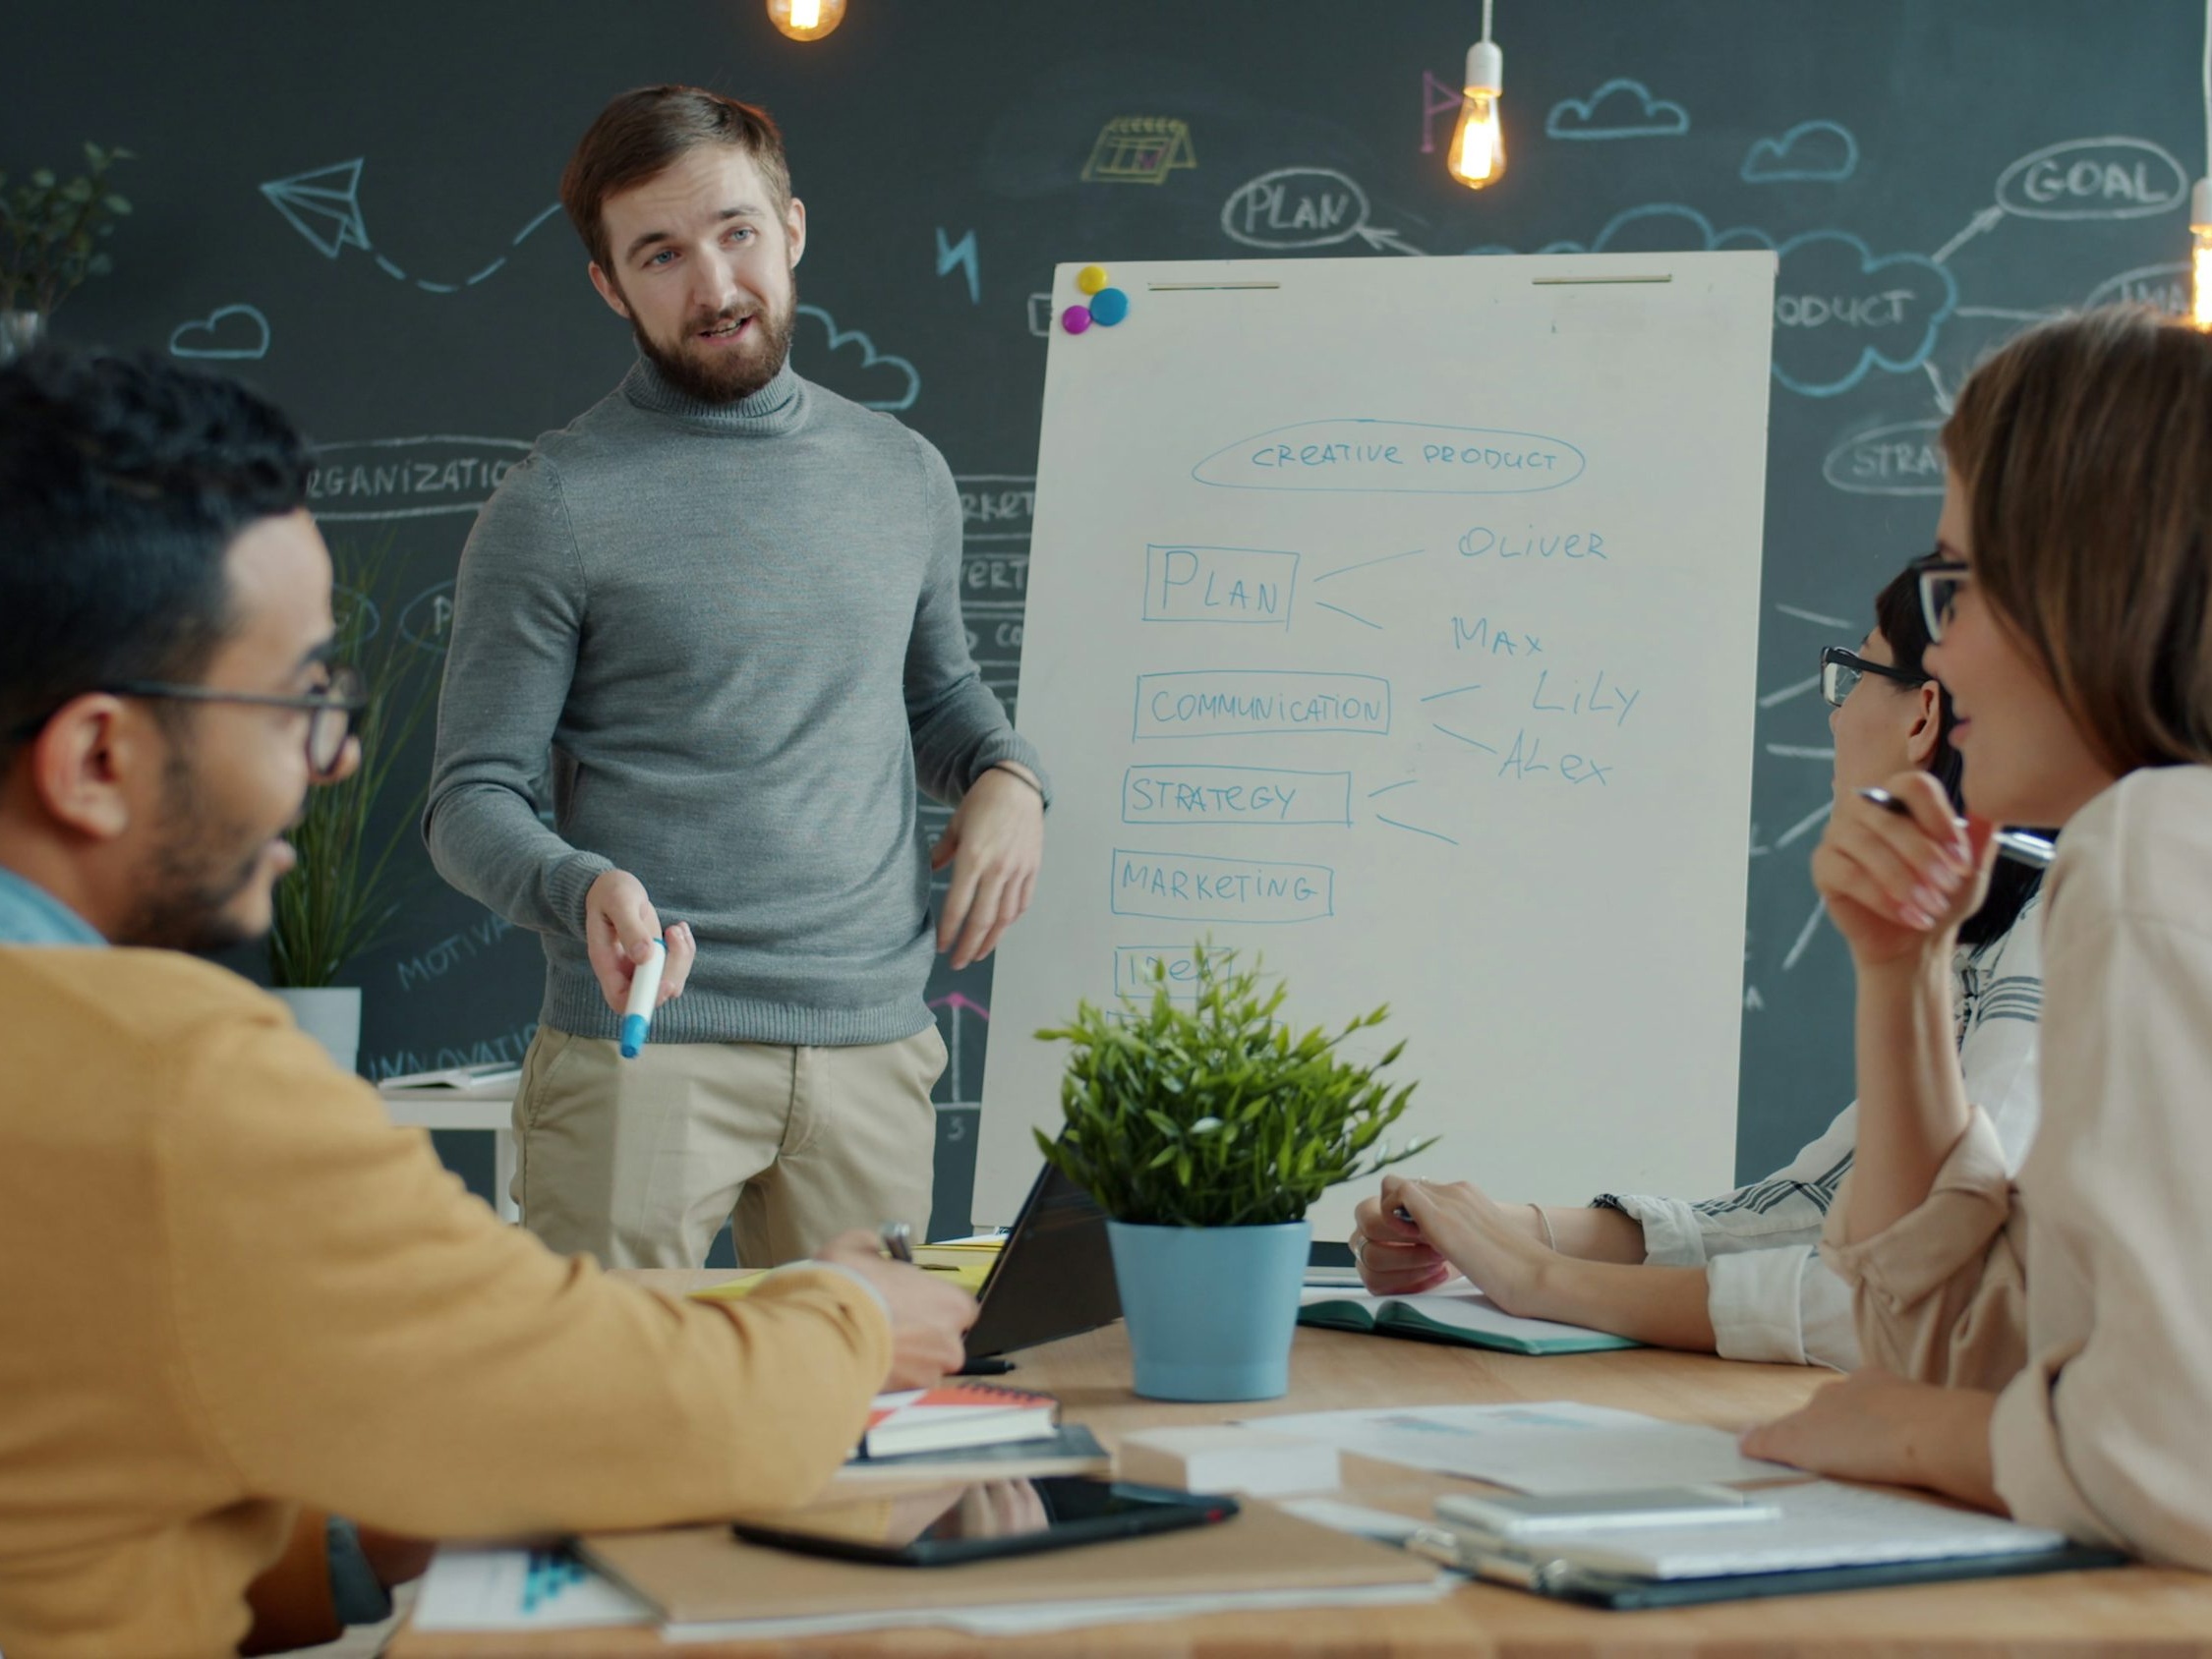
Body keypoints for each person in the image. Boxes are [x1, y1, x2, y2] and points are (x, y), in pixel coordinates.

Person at [0, 345, 976, 1658]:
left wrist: (352, 1538)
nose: (337, 755)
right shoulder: (174, 1090)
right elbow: (608, 1402)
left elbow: (66, 1490)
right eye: (297, 699)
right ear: (98, 758)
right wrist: (855, 1316)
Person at [426, 85, 1048, 1272]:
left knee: (859, 1432)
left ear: (793, 227)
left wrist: (1012, 775)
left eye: (737, 233)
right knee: (604, 1429)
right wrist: (578, 881)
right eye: (661, 254)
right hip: (645, 1055)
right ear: (610, 284)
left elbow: (940, 700)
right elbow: (470, 802)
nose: (713, 287)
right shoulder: (554, 503)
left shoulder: (902, 473)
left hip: (874, 1048)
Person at [1738, 308, 2212, 1568]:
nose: (1936, 648)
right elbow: (1968, 1350)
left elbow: (2176, 1460)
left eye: (1957, 582)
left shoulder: (2159, 846)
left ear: (2095, 588)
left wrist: (1915, 1439)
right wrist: (1903, 969)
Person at [1348, 563, 2047, 1367]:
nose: (1837, 709)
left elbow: (1888, 1307)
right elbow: (1814, 1213)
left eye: (1852, 672)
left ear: (1923, 713)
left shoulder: (2063, 931)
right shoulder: (1968, 932)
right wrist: (1506, 1228)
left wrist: (1537, 1277)